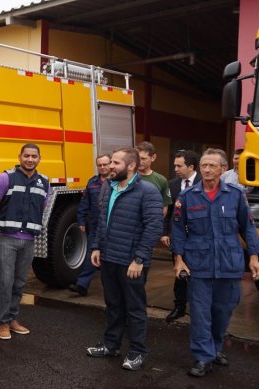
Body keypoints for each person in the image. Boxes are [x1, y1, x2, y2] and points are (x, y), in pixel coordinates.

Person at [171, 148, 259, 377]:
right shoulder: (187, 196)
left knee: (223, 311)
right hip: (199, 263)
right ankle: (203, 357)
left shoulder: (235, 194)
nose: (207, 169)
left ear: (224, 169)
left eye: (212, 165)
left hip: (229, 263)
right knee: (201, 313)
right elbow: (177, 231)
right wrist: (178, 260)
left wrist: (254, 256)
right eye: (204, 165)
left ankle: (215, 347)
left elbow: (248, 228)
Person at [85, 147, 163, 371]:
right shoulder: (108, 188)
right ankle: (111, 345)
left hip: (131, 262)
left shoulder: (148, 191)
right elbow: (101, 220)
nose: (110, 166)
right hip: (109, 258)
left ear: (131, 166)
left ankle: (137, 352)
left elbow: (154, 227)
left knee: (134, 308)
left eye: (116, 163)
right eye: (111, 163)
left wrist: (139, 259)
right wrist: (97, 247)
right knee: (113, 304)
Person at [0, 143, 49, 340]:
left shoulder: (44, 182)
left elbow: (41, 207)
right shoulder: (5, 178)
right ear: (20, 157)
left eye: (34, 156)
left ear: (39, 159)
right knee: (5, 281)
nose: (30, 159)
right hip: (7, 238)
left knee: (20, 282)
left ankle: (13, 318)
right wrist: (4, 224)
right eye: (26, 156)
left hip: (28, 240)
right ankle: (3, 323)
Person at [162, 150, 201, 323]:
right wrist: (165, 232)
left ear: (191, 166)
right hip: (178, 238)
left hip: (199, 239)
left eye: (179, 165)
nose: (176, 168)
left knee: (199, 275)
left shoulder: (204, 183)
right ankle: (179, 307)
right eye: (174, 165)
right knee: (179, 273)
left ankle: (199, 309)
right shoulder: (172, 185)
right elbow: (168, 211)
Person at [69, 154, 111, 297]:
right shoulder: (92, 182)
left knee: (109, 258)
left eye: (105, 164)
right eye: (100, 165)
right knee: (91, 254)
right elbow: (84, 203)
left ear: (111, 164)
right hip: (95, 225)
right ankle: (82, 285)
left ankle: (112, 291)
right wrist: (81, 221)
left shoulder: (117, 182)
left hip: (112, 226)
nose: (103, 167)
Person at [135, 141, 172, 216]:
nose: (140, 162)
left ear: (153, 157)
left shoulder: (162, 180)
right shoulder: (128, 176)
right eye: (138, 158)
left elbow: (164, 207)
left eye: (143, 158)